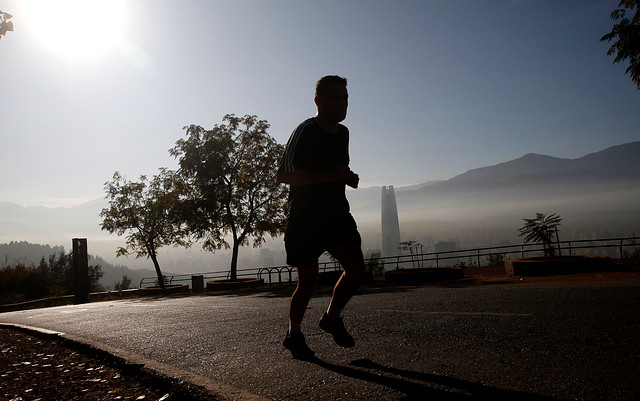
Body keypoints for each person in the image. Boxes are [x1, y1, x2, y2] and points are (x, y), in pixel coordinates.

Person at [277, 75, 365, 360]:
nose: (342, 103)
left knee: (356, 268)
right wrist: (329, 175)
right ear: (319, 101)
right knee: (308, 281)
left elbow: (338, 168)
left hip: (336, 213)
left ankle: (331, 318)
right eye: (336, 97)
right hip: (305, 217)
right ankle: (294, 334)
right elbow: (283, 176)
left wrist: (348, 177)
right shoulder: (305, 130)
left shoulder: (343, 133)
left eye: (345, 97)